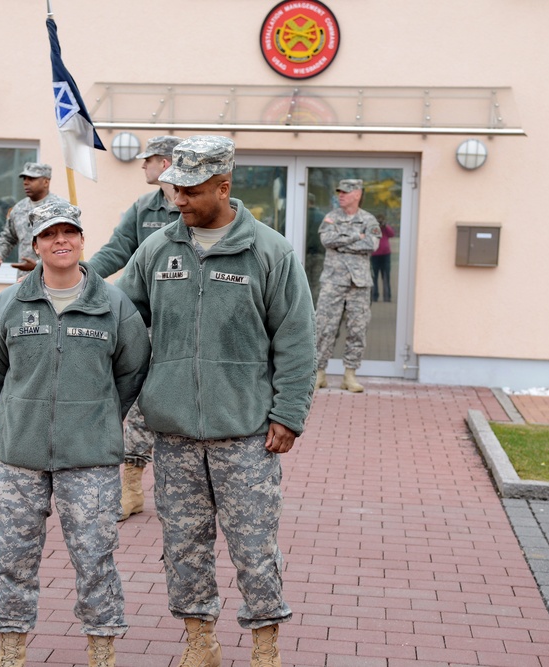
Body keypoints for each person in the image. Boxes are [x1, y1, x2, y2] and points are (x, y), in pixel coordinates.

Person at [116, 135, 316, 667]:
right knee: (183, 548)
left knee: (253, 548)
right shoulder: (158, 249)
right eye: (173, 189)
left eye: (190, 190)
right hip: (174, 433)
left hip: (246, 433)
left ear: (224, 186)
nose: (177, 201)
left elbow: (296, 341)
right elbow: (124, 323)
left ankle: (264, 646)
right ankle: (200, 644)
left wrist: (289, 414)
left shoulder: (269, 252)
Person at [0, 200, 150, 667]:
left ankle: (101, 649)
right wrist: (22, 412)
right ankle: (11, 649)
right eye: (50, 234)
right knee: (14, 560)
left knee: (95, 560)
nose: (61, 241)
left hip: (89, 458)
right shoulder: (9, 305)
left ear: (81, 240)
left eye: (69, 232)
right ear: (35, 244)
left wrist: (96, 416)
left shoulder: (113, 305)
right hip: (18, 456)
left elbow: (132, 372)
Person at [88, 134, 181, 522]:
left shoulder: (198, 206)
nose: (142, 166)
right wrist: (79, 277)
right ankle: (131, 486)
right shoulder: (144, 209)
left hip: (187, 326)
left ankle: (184, 489)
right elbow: (116, 250)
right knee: (139, 401)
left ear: (164, 164)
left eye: (148, 160)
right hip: (147, 324)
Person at [312, 179, 382, 394]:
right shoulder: (332, 217)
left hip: (359, 284)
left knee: (357, 329)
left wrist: (342, 241)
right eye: (340, 191)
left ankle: (349, 375)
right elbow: (327, 240)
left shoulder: (368, 220)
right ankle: (319, 373)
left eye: (346, 192)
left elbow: (372, 244)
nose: (341, 195)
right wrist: (356, 236)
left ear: (357, 194)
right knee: (324, 328)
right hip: (333, 281)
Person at [0, 162, 66, 279]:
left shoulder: (61, 207)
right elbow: (8, 238)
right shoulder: (18, 209)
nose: (25, 182)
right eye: (24, 178)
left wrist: (38, 266)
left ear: (46, 182)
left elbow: (67, 245)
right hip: (25, 281)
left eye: (31, 179)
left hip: (55, 280)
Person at [370, 217, 396, 303]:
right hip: (375, 255)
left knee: (386, 277)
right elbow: (372, 235)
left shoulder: (385, 229)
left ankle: (387, 297)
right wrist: (376, 226)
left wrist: (386, 226)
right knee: (374, 277)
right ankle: (374, 296)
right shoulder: (374, 228)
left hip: (385, 255)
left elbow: (392, 234)